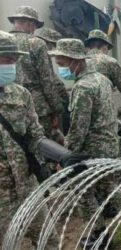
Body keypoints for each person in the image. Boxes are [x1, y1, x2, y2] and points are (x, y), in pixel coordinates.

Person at [49, 38, 121, 248]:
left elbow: (79, 128)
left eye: (61, 64)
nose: (60, 69)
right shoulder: (101, 79)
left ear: (75, 61)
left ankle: (100, 236)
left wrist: (66, 157)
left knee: (84, 191)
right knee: (107, 186)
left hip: (91, 151)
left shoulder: (83, 87)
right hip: (109, 145)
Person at [0, 30, 86, 249]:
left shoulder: (20, 95)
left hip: (27, 186)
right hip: (2, 194)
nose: (12, 64)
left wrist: (63, 155)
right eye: (7, 58)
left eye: (14, 59)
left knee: (49, 240)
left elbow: (34, 136)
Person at [8, 6, 65, 137]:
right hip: (38, 108)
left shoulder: (3, 41)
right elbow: (47, 80)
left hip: (7, 107)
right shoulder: (36, 43)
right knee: (41, 148)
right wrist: (56, 109)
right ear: (31, 23)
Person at [34, 27, 70, 141]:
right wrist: (59, 108)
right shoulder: (40, 52)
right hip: (43, 109)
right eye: (51, 45)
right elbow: (50, 83)